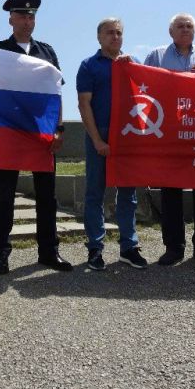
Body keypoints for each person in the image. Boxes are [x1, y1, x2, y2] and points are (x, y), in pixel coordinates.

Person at [0, 0, 72, 274]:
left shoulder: (47, 52)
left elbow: (56, 93)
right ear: (10, 19)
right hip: (9, 132)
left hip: (41, 134)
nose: (27, 20)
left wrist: (59, 128)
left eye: (31, 15)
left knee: (47, 196)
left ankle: (49, 251)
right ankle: (1, 253)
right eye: (22, 15)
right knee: (4, 195)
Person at [145, 13, 195, 267]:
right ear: (170, 31)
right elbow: (143, 86)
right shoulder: (156, 56)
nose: (185, 30)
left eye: (189, 26)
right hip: (169, 133)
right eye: (180, 26)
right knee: (171, 192)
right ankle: (174, 247)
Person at [76, 17, 147, 271]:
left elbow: (146, 96)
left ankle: (129, 246)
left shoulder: (134, 64)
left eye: (118, 33)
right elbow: (84, 104)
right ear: (99, 37)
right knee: (95, 192)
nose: (114, 37)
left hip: (128, 135)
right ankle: (95, 248)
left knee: (128, 193)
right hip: (101, 133)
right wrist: (97, 140)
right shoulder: (88, 65)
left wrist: (132, 70)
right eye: (109, 33)